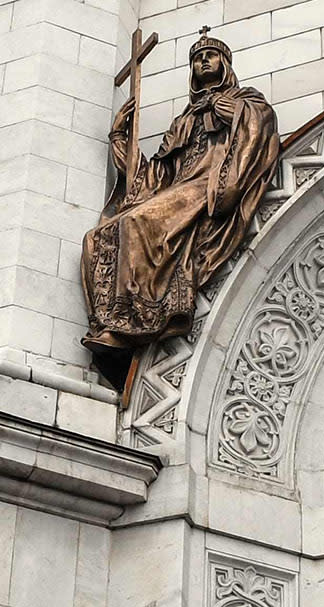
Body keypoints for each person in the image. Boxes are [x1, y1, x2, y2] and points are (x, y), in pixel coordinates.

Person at [81, 33, 279, 389]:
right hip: (179, 189)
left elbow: (258, 127)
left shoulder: (245, 101)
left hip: (209, 185)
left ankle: (134, 318)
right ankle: (109, 324)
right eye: (197, 57)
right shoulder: (185, 120)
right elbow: (153, 178)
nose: (203, 61)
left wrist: (233, 114)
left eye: (210, 55)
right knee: (99, 237)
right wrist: (119, 139)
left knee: (140, 222)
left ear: (225, 64)